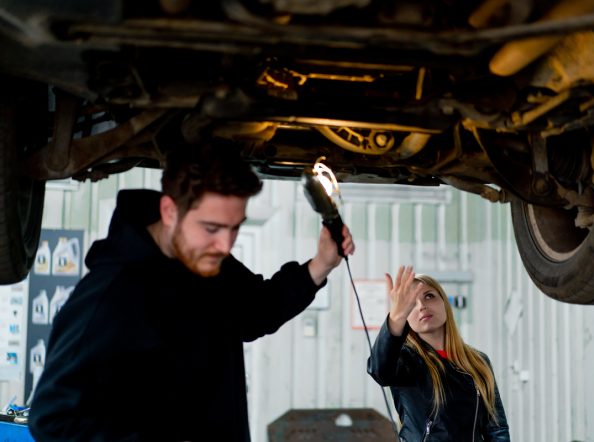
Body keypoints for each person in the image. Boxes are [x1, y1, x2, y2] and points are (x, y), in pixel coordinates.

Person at [28, 142, 355, 442]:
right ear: (170, 211)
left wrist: (320, 264)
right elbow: (52, 419)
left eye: (235, 227)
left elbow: (255, 311)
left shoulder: (208, 263)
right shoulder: (112, 293)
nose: (225, 245)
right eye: (212, 228)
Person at [368, 266, 510, 442]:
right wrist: (396, 317)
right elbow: (379, 371)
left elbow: (496, 428)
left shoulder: (478, 361)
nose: (422, 306)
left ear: (444, 302)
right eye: (412, 304)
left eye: (429, 296)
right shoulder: (405, 360)